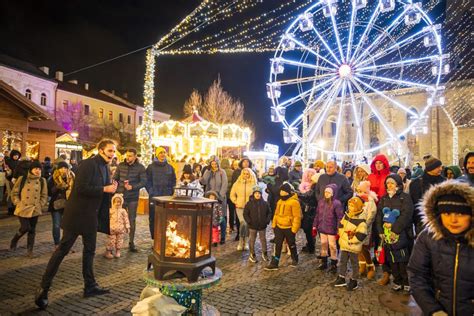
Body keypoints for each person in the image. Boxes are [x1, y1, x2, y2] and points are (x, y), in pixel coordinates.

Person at [35, 140, 118, 310]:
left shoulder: (105, 166)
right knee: (62, 251)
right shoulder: (88, 164)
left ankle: (90, 286)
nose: (113, 154)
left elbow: (100, 188)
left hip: (91, 217)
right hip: (77, 215)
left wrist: (111, 189)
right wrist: (104, 189)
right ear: (100, 150)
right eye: (110, 150)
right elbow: (80, 188)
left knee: (89, 251)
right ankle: (43, 289)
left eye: (114, 151)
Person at [408, 181, 473, 316]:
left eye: (460, 214)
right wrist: (432, 309)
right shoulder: (428, 238)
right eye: (447, 213)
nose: (453, 220)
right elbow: (417, 274)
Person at [375, 174, 414, 286]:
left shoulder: (405, 198)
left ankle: (406, 282)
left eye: (392, 183)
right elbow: (379, 216)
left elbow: (406, 215)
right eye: (388, 183)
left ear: (397, 184)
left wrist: (395, 229)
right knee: (391, 258)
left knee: (402, 259)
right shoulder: (384, 198)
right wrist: (380, 231)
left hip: (402, 234)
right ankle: (397, 280)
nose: (390, 185)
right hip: (387, 235)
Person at [10, 161, 48, 256]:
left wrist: (40, 204)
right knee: (25, 227)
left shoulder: (42, 181)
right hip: (22, 207)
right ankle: (14, 240)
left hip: (35, 208)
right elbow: (14, 193)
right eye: (36, 169)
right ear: (31, 169)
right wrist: (17, 203)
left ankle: (30, 250)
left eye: (39, 169)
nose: (37, 171)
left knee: (32, 230)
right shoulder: (22, 179)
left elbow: (44, 195)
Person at [114, 148, 147, 252]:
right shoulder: (120, 165)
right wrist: (117, 187)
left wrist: (133, 187)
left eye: (130, 156)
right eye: (127, 155)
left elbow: (143, 182)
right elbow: (115, 178)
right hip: (121, 197)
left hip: (133, 197)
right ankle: (117, 242)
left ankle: (131, 243)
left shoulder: (140, 167)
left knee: (132, 220)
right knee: (118, 219)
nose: (128, 158)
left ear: (135, 156)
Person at [265, 183, 301, 270]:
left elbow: (297, 217)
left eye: (283, 191)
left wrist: (294, 229)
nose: (281, 192)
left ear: (287, 192)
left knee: (291, 244)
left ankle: (294, 258)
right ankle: (275, 262)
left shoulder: (294, 202)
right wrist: (274, 225)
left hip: (289, 227)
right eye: (280, 190)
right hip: (279, 227)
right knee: (277, 245)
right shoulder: (280, 201)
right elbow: (276, 214)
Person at [333, 196, 367, 291]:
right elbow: (341, 225)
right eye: (349, 205)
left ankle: (354, 280)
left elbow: (361, 235)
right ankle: (341, 277)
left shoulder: (361, 221)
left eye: (352, 206)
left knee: (354, 263)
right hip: (344, 244)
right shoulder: (347, 215)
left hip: (353, 246)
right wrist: (342, 235)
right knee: (342, 261)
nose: (350, 208)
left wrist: (351, 240)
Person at [409, 157, 446, 235]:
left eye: (440, 166)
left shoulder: (444, 182)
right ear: (431, 168)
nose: (441, 169)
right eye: (438, 167)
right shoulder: (416, 183)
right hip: (423, 222)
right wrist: (417, 220)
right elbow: (414, 203)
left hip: (441, 220)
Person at [146, 147, 176, 239]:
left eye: (164, 152)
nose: (163, 154)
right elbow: (147, 180)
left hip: (166, 196)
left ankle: (165, 238)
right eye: (160, 153)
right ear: (157, 154)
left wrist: (171, 191)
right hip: (154, 196)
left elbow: (173, 180)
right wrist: (151, 191)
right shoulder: (151, 167)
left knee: (166, 217)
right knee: (153, 217)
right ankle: (155, 238)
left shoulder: (170, 167)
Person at [314, 184, 344, 272]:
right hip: (322, 228)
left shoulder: (336, 203)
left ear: (332, 193)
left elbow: (340, 217)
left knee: (332, 246)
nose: (326, 194)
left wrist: (338, 229)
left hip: (332, 229)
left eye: (328, 192)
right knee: (323, 244)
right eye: (325, 192)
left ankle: (334, 263)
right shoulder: (321, 202)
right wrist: (314, 226)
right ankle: (324, 262)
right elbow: (317, 214)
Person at [381, 207, 411, 292]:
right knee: (395, 270)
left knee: (403, 270)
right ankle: (397, 282)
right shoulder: (386, 230)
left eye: (388, 222)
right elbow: (386, 240)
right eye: (385, 222)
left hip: (401, 255)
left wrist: (392, 246)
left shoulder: (399, 230)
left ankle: (406, 283)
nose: (386, 224)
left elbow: (404, 241)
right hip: (392, 255)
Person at [47, 161, 75, 249]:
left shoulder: (72, 177)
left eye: (65, 168)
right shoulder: (53, 178)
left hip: (69, 204)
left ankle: (65, 243)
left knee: (68, 226)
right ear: (58, 169)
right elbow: (49, 192)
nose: (63, 170)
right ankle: (57, 244)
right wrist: (57, 187)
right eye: (61, 168)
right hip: (56, 204)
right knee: (56, 225)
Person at [201, 157, 228, 244]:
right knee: (211, 217)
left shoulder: (222, 172)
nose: (214, 165)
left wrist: (220, 196)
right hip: (210, 197)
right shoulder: (208, 172)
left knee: (221, 217)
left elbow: (224, 184)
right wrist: (207, 171)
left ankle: (222, 237)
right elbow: (204, 182)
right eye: (212, 164)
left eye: (215, 163)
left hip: (220, 198)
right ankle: (212, 237)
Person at [230, 167, 257, 250]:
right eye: (244, 173)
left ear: (250, 175)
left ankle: (246, 242)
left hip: (250, 207)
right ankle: (241, 241)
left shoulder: (254, 184)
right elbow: (232, 194)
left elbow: (257, 195)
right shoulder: (237, 183)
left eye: (247, 174)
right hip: (240, 207)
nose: (245, 175)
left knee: (247, 224)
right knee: (243, 222)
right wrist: (235, 201)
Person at [355, 180, 377, 280]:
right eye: (359, 191)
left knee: (364, 248)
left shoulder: (370, 201)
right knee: (358, 248)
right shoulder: (357, 199)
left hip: (365, 228)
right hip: (356, 227)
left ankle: (370, 266)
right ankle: (362, 265)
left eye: (363, 191)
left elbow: (371, 215)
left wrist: (364, 225)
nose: (361, 193)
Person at [244, 186, 271, 263]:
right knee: (252, 240)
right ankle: (252, 254)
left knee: (263, 240)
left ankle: (264, 253)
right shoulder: (249, 204)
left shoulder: (265, 203)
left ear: (261, 194)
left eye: (259, 193)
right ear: (253, 194)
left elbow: (269, 212)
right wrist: (249, 221)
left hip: (262, 225)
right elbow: (245, 213)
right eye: (256, 193)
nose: (257, 195)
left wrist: (267, 221)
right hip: (253, 226)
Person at [104, 194, 130, 259]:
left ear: (121, 202)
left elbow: (126, 219)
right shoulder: (110, 210)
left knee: (119, 240)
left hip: (120, 229)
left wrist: (127, 227)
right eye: (116, 202)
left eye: (119, 202)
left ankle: (118, 251)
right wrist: (106, 226)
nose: (117, 203)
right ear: (113, 202)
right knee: (111, 241)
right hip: (112, 229)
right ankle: (108, 251)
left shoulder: (123, 211)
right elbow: (107, 219)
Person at [298, 168, 317, 254]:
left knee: (309, 229)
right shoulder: (306, 185)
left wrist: (297, 194)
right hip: (306, 209)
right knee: (307, 229)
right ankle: (310, 244)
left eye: (311, 175)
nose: (310, 177)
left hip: (310, 211)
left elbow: (307, 196)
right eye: (308, 175)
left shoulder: (314, 187)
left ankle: (311, 246)